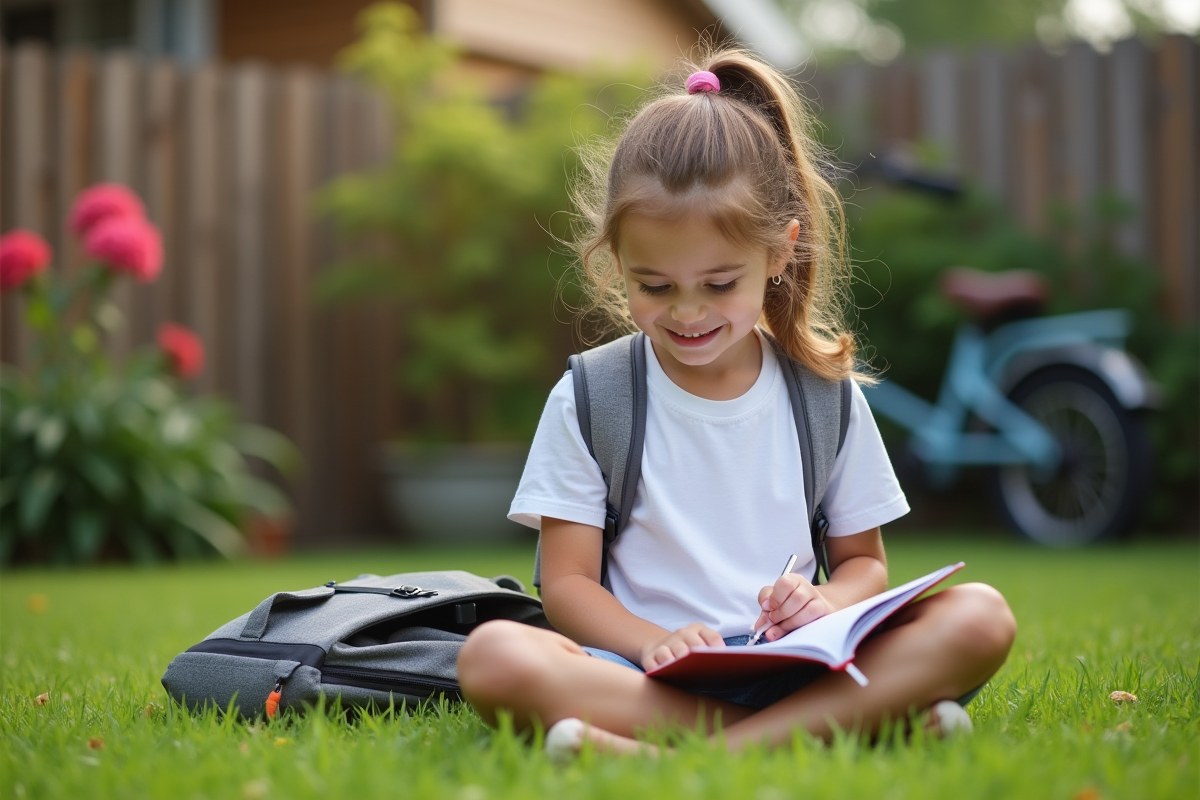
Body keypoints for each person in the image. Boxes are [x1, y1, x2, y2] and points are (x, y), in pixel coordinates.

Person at [456, 46, 1016, 756]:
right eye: (654, 286)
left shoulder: (824, 396)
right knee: (495, 655)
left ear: (780, 253)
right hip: (643, 678)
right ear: (614, 260)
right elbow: (566, 587)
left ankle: (683, 757)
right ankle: (848, 732)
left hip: (799, 669)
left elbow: (863, 567)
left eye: (719, 284)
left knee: (980, 616)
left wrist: (827, 603)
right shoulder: (593, 396)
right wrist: (653, 641)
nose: (687, 312)